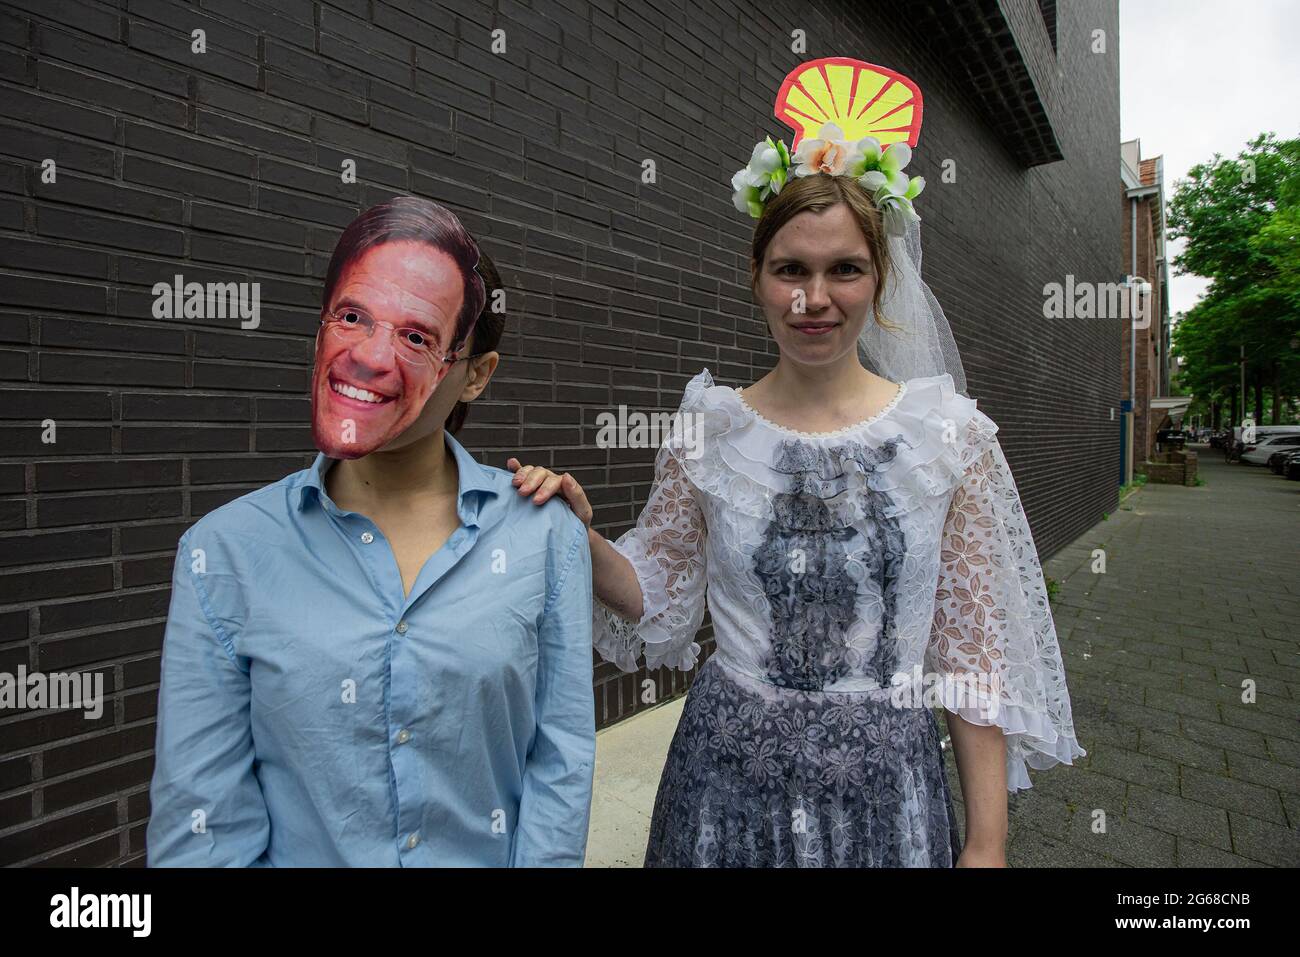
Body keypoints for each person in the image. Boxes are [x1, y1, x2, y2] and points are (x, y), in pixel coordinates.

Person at [509, 59, 1084, 867]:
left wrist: (987, 842)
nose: (814, 297)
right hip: (724, 783)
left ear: (879, 277)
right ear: (758, 278)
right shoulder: (708, 425)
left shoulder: (950, 440)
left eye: (843, 268)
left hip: (887, 791)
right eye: (791, 269)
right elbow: (661, 585)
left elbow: (972, 655)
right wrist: (579, 535)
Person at [148, 197, 595, 866]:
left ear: (476, 374)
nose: (370, 357)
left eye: (417, 336)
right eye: (353, 317)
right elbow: (202, 823)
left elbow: (560, 763)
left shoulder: (542, 533)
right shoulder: (224, 554)